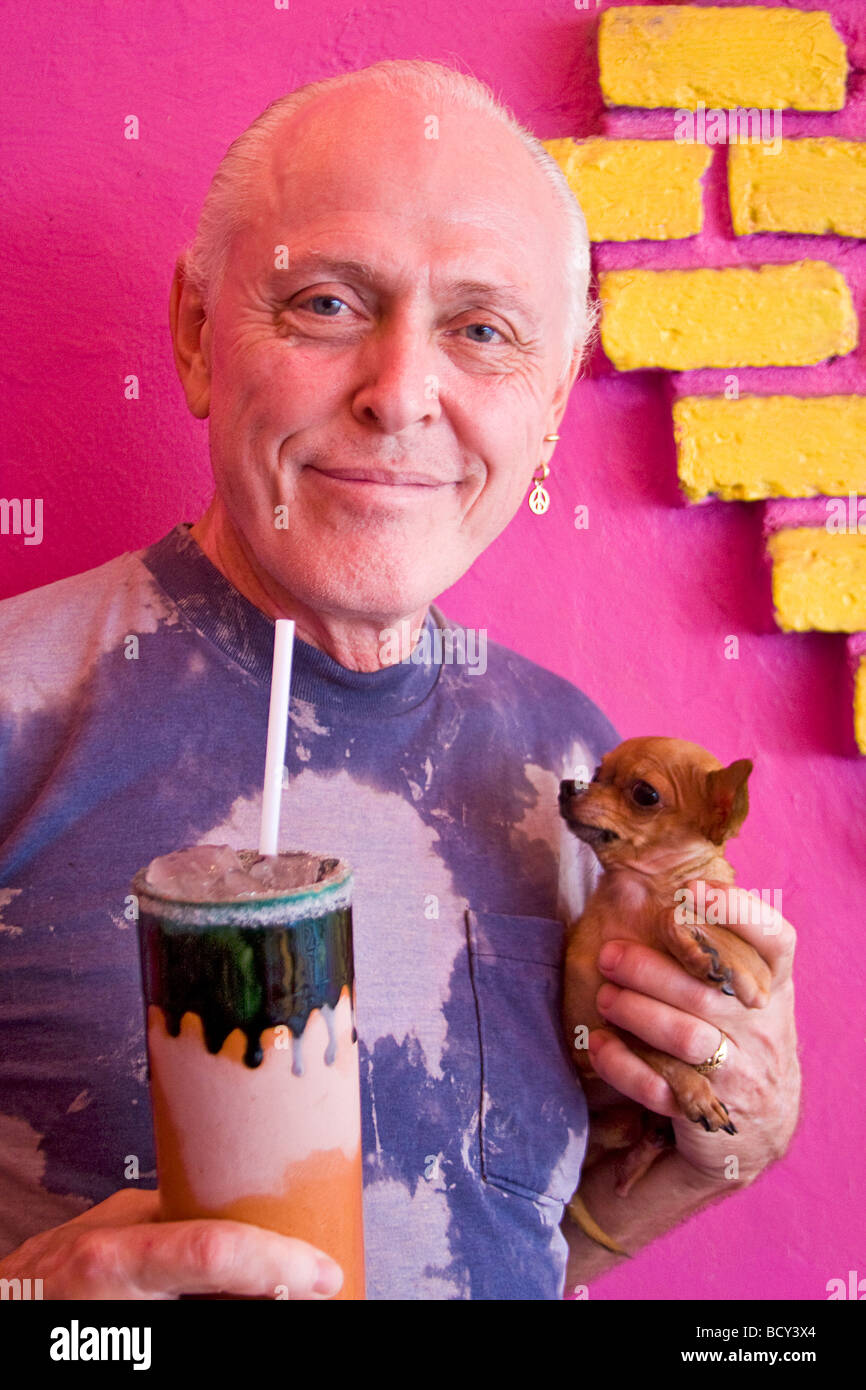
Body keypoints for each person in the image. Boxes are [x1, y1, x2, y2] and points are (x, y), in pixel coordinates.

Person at [0, 59, 800, 1301]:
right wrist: (38, 1310)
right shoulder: (16, 705)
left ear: (544, 409)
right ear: (202, 336)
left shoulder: (580, 773)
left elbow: (523, 1241)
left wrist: (705, 1149)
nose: (399, 395)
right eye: (325, 302)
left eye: (481, 330)